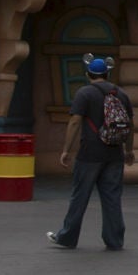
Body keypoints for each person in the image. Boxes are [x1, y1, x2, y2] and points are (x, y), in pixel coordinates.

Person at [47, 56, 132, 251]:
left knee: (80, 195)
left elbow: (75, 122)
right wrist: (129, 150)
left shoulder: (84, 93)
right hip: (115, 153)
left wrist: (66, 149)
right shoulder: (121, 94)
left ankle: (67, 237)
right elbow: (130, 125)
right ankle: (115, 240)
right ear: (107, 73)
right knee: (112, 197)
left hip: (90, 153)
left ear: (88, 74)